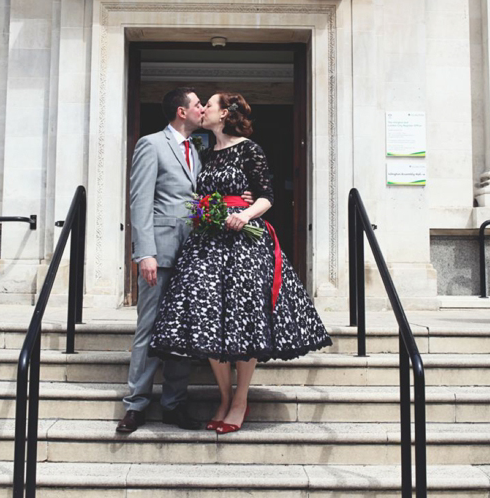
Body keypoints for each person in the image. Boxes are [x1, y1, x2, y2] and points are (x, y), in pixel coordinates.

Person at [149, 91, 332, 433]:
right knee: (209, 319)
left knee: (245, 319)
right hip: (208, 242)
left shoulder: (250, 148)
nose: (202, 110)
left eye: (210, 105)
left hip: (244, 242)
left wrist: (245, 214)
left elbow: (267, 196)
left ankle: (240, 400)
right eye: (200, 105)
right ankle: (223, 395)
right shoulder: (204, 152)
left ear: (224, 114)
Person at [116, 87, 204, 433]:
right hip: (160, 253)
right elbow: (140, 202)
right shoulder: (151, 144)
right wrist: (145, 253)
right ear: (181, 112)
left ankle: (173, 405)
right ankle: (136, 405)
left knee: (181, 333)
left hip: (191, 255)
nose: (202, 108)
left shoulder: (196, 151)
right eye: (197, 104)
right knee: (149, 329)